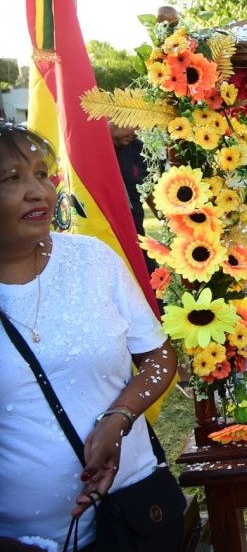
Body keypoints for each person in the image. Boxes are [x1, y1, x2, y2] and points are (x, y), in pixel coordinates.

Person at [0, 124, 177, 549]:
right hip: (27, 539)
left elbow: (159, 358)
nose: (38, 192)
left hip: (135, 513)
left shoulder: (93, 260)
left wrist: (119, 418)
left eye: (42, 174)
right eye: (11, 178)